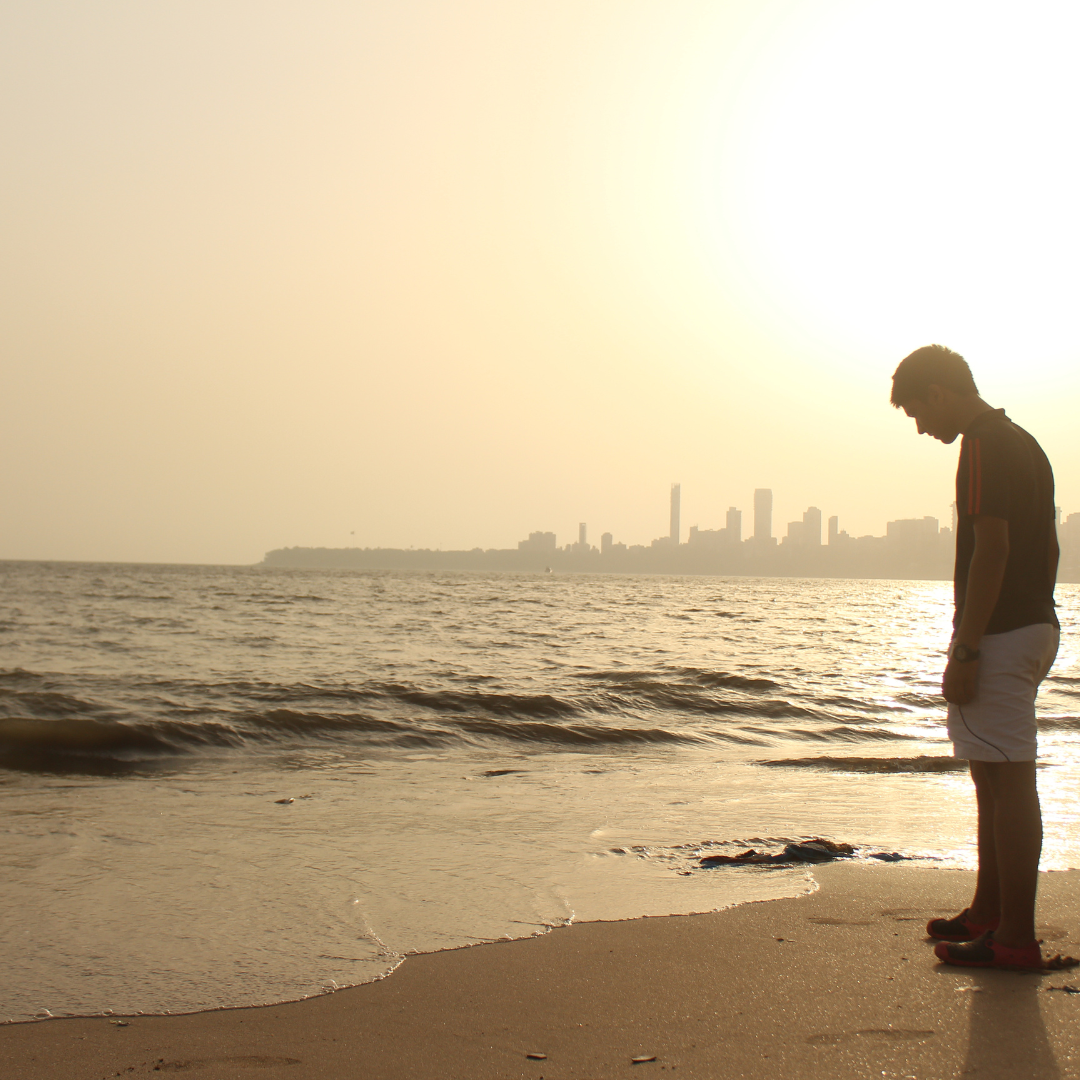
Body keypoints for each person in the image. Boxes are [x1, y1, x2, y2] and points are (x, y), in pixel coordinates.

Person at [891, 344, 1059, 970]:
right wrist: (1043, 617)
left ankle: (1014, 936)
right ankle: (990, 911)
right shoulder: (1026, 442)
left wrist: (967, 646)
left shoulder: (983, 444)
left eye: (915, 410)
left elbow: (993, 548)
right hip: (1031, 626)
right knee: (992, 773)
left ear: (938, 392)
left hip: (1002, 633)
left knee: (1009, 779)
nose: (919, 425)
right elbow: (1048, 546)